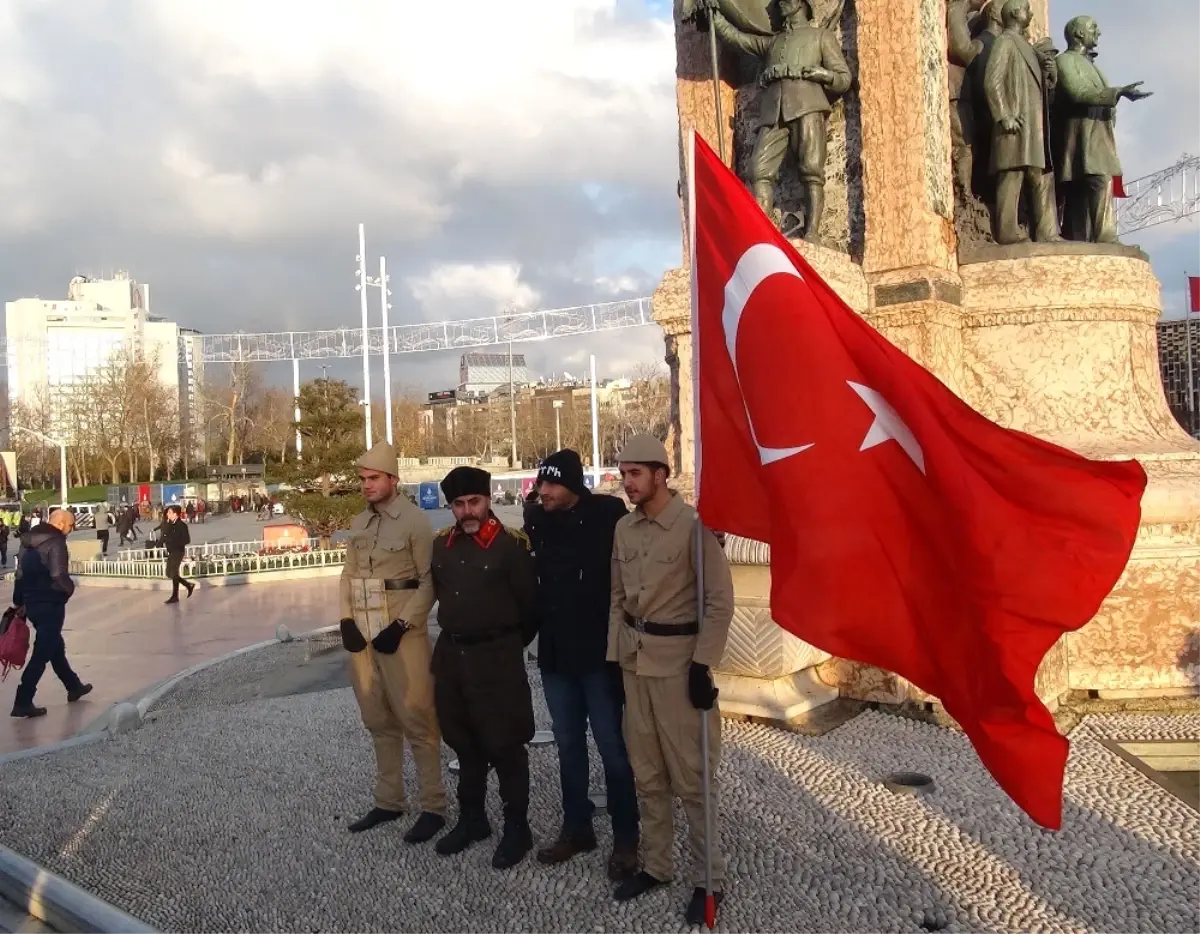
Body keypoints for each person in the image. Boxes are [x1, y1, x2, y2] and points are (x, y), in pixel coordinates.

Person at [607, 435, 734, 925]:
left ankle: (709, 879)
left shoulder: (693, 527)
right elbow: (617, 599)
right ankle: (657, 866)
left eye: (635, 473)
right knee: (648, 775)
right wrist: (617, 658)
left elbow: (719, 602)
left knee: (693, 779)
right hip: (637, 664)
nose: (627, 483)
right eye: (623, 474)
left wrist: (703, 664)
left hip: (680, 664)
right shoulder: (624, 529)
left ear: (660, 474)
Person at [523, 450, 639, 879]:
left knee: (612, 747)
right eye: (541, 484)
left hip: (599, 656)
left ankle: (627, 837)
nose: (543, 491)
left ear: (573, 486)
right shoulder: (537, 520)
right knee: (568, 745)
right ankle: (577, 828)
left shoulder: (609, 513)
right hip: (555, 654)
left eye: (552, 485)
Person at [430, 465, 538, 869]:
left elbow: (531, 609)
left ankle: (517, 829)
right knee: (464, 743)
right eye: (458, 504)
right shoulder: (441, 546)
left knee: (507, 746)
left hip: (497, 659)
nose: (467, 511)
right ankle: (473, 819)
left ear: (488, 500)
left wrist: (503, 644)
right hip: (452, 659)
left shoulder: (512, 546)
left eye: (474, 501)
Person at [338, 442, 447, 843]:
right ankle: (389, 800)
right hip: (363, 634)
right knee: (378, 720)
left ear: (393, 480)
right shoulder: (358, 523)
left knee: (418, 719)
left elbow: (429, 580)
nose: (366, 486)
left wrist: (403, 624)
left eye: (373, 479)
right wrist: (346, 619)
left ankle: (433, 806)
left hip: (402, 635)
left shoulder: (415, 522)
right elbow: (347, 575)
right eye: (363, 479)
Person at [10, 508, 92, 718]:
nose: (72, 529)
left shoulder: (28, 540)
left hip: (32, 604)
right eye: (72, 525)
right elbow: (58, 574)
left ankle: (73, 686)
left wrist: (19, 600)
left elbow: (20, 574)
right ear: (61, 523)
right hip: (50, 603)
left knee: (55, 646)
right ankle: (23, 700)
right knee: (43, 652)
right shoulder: (56, 542)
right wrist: (69, 590)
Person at [162, 505, 194, 604]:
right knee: (169, 573)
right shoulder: (170, 524)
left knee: (174, 573)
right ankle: (188, 585)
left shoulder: (182, 525)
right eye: (167, 512)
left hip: (178, 551)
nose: (167, 514)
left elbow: (187, 540)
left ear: (175, 514)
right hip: (171, 551)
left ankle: (175, 596)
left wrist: (174, 542)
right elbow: (164, 535)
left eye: (170, 512)